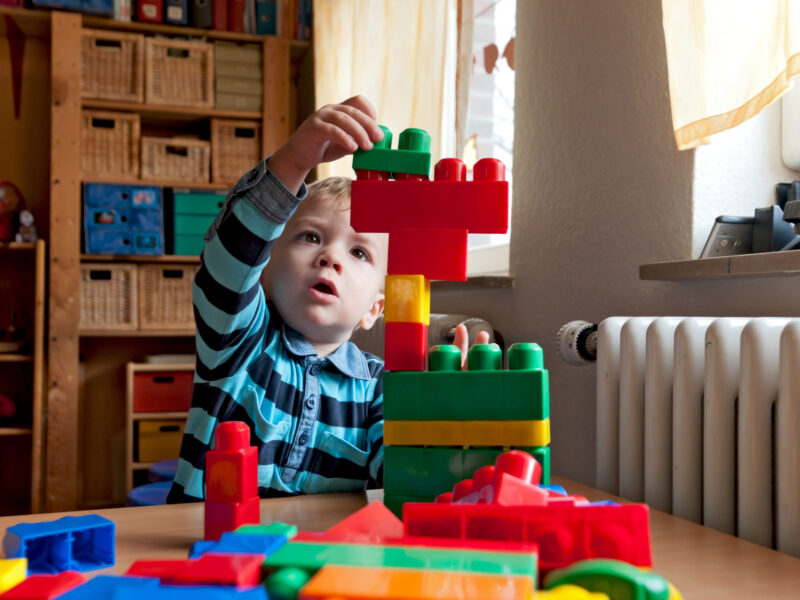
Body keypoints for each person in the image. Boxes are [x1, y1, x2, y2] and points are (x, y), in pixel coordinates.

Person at [167, 96, 486, 502]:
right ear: (265, 266)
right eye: (311, 237)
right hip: (212, 551)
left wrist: (442, 413)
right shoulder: (239, 339)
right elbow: (229, 259)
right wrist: (295, 159)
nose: (330, 256)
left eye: (359, 253)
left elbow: (401, 483)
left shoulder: (378, 389)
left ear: (375, 308)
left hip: (321, 559)